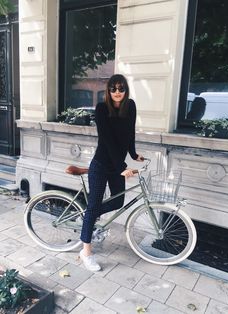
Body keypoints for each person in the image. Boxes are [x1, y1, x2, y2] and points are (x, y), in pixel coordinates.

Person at [79, 74, 143, 271]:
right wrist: (123, 168)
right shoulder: (101, 109)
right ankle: (86, 253)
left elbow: (129, 133)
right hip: (101, 165)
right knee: (94, 205)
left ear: (125, 90)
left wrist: (133, 154)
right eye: (113, 89)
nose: (117, 92)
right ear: (108, 91)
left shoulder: (130, 106)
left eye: (121, 88)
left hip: (118, 165)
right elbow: (107, 141)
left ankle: (87, 218)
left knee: (118, 201)